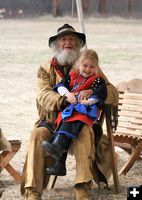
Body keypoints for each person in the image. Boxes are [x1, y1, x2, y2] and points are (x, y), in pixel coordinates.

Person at [21, 23, 118, 200]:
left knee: (85, 132)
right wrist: (65, 98)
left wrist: (94, 92)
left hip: (80, 121)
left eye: (71, 40)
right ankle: (33, 190)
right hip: (52, 121)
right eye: (63, 39)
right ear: (56, 45)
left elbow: (111, 91)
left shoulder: (88, 65)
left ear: (78, 44)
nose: (68, 43)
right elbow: (43, 95)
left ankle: (82, 188)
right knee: (37, 135)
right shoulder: (45, 68)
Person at [42, 49, 107, 176]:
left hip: (85, 111)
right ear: (78, 65)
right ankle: (59, 165)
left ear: (96, 67)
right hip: (71, 109)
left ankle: (57, 147)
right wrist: (67, 93)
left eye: (91, 66)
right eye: (85, 65)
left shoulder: (97, 80)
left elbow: (102, 94)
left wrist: (89, 101)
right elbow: (60, 86)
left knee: (71, 122)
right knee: (61, 123)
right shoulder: (73, 75)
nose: (88, 69)